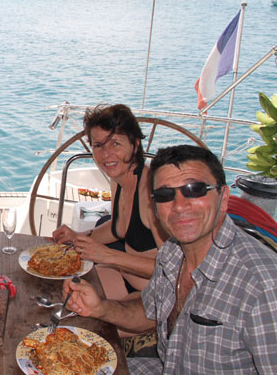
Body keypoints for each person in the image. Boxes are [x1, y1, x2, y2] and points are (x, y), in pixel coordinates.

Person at [62, 145, 277, 373]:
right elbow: (147, 313)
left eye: (194, 190)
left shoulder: (263, 286)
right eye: (165, 195)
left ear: (223, 198)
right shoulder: (172, 253)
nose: (179, 206)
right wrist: (100, 308)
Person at [53, 104, 166, 302]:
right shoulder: (118, 180)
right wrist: (76, 236)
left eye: (115, 143)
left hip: (156, 296)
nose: (106, 154)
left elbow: (174, 269)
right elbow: (118, 229)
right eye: (98, 145)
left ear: (135, 144)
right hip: (123, 275)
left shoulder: (151, 193)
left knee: (76, 309)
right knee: (60, 288)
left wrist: (109, 256)